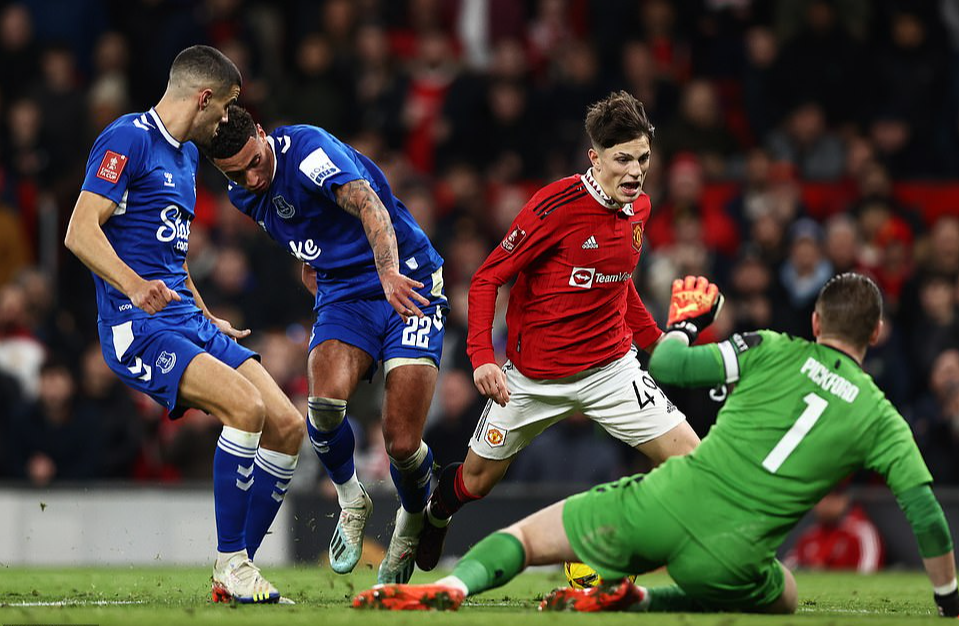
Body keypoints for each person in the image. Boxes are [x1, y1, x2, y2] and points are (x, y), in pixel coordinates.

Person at [354, 273, 959, 619]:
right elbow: (926, 513)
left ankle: (448, 591)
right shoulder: (882, 416)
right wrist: (948, 597)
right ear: (876, 334)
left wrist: (687, 322)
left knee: (528, 539)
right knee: (788, 597)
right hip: (734, 555)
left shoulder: (772, 348)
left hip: (667, 501)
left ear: (818, 326)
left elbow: (668, 361)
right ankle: (641, 598)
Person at [414, 90, 703, 572]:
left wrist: (656, 343)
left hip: (612, 371)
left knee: (694, 463)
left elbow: (618, 285)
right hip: (533, 379)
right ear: (595, 157)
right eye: (623, 159)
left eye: (644, 159)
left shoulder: (640, 209)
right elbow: (488, 277)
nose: (635, 172)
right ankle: (436, 513)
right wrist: (483, 356)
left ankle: (628, 551)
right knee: (477, 481)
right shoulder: (556, 206)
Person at [64, 46, 304, 604]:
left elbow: (170, 257)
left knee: (287, 425)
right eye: (222, 110)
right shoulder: (127, 138)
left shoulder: (187, 160)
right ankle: (233, 566)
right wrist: (131, 286)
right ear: (202, 97)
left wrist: (204, 310)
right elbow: (79, 231)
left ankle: (235, 564)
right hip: (137, 326)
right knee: (245, 410)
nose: (224, 122)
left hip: (185, 318)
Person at [205, 104, 446, 584]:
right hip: (343, 291)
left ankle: (411, 520)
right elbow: (299, 223)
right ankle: (352, 499)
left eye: (255, 161)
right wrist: (310, 257)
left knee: (401, 442)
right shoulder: (241, 193)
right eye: (237, 172)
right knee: (324, 403)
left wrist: (388, 274)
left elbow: (369, 205)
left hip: (406, 275)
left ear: (261, 132)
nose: (252, 177)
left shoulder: (310, 152)